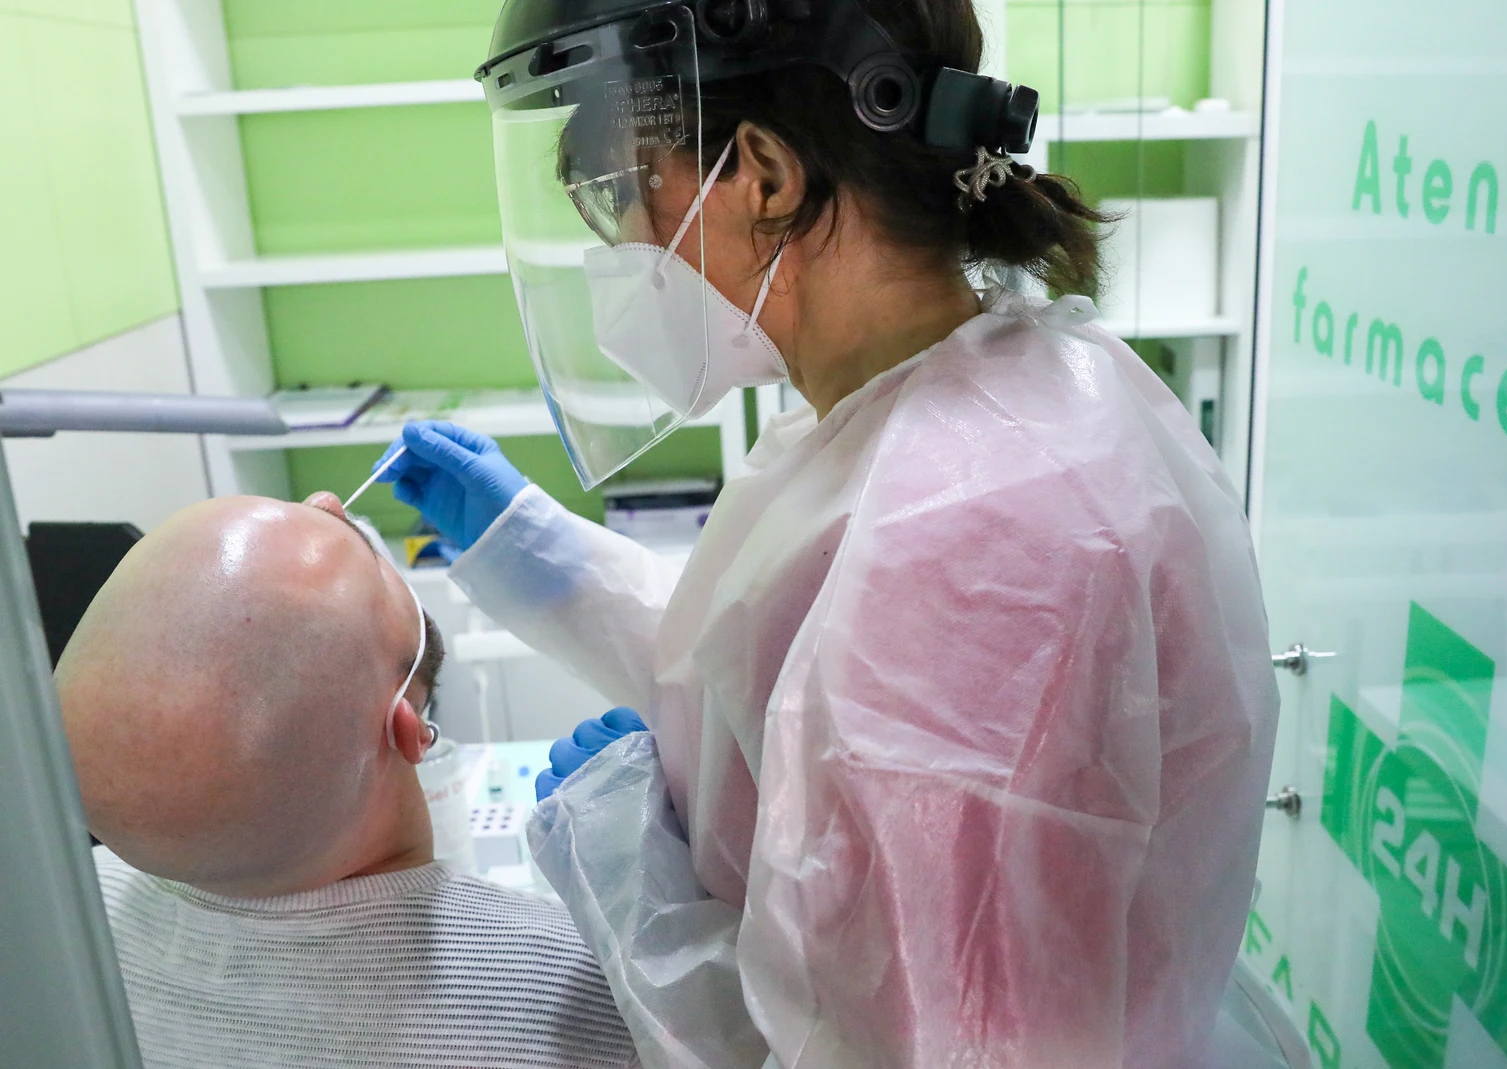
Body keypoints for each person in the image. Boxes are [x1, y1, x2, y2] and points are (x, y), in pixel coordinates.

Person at [370, 0, 1281, 1064]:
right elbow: (781, 677)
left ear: (762, 173)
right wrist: (532, 550)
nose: (620, 245)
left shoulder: (974, 534)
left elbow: (920, 1040)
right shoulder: (931, 408)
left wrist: (636, 887)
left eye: (625, 190)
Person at [56, 493, 639, 1069]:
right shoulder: (592, 994)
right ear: (408, 729)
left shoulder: (62, 919)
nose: (330, 501)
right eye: (366, 563)